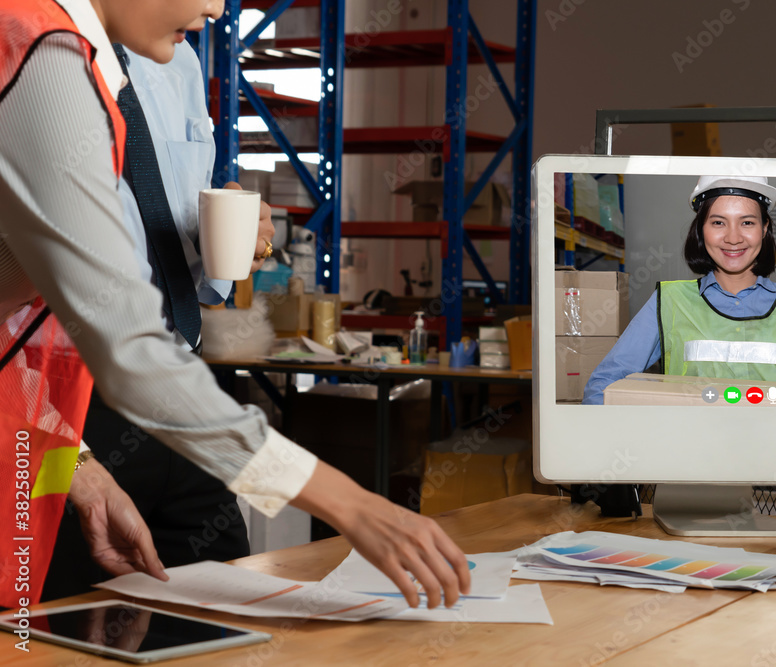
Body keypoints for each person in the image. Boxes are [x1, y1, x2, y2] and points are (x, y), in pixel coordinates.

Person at [0, 0, 469, 609]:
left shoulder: (74, 58)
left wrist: (69, 453)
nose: (219, 7)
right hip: (97, 397)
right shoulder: (44, 57)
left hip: (69, 409)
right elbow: (127, 347)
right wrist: (353, 505)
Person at [42, 0, 276, 600]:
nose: (218, 8)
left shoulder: (180, 63)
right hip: (64, 404)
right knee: (64, 627)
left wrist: (233, 238)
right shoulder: (35, 56)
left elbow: (173, 235)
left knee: (227, 613)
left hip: (175, 387)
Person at [583, 175, 776, 404]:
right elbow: (604, 384)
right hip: (692, 467)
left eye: (747, 222)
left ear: (765, 228)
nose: (733, 238)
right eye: (718, 222)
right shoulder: (670, 301)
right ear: (701, 230)